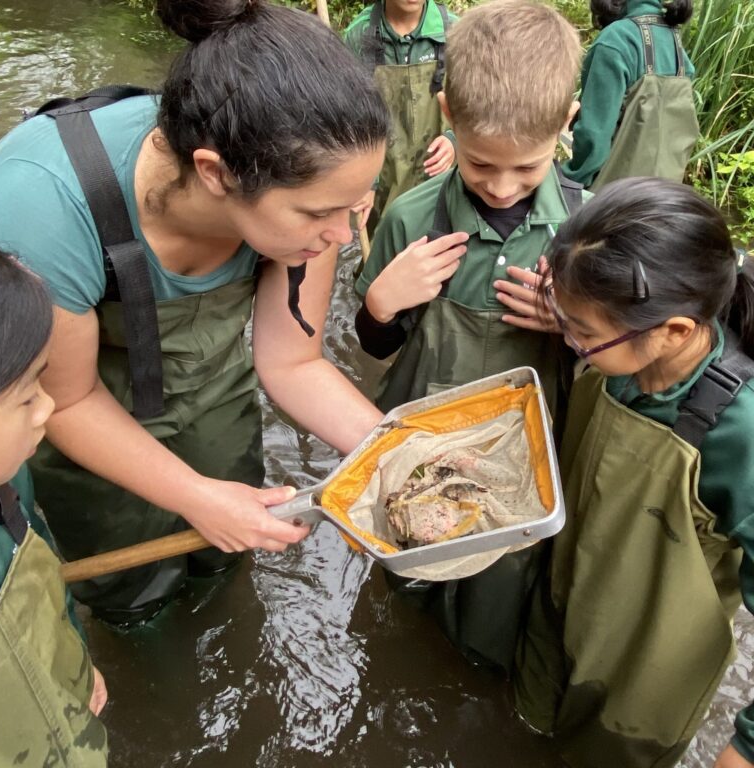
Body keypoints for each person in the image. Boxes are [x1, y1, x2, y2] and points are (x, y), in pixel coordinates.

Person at [0, 0, 388, 625]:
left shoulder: (314, 190)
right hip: (86, 406)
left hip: (215, 395)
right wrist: (196, 496)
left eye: (355, 206)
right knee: (131, 588)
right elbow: (64, 398)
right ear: (215, 174)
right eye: (317, 215)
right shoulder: (42, 204)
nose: (342, 234)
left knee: (222, 559)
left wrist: (398, 453)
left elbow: (294, 362)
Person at [354, 0, 583, 673]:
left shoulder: (586, 233)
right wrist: (379, 301)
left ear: (566, 127)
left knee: (501, 590)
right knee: (409, 574)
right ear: (449, 114)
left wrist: (567, 326)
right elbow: (374, 347)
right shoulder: (410, 216)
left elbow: (609, 369)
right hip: (427, 436)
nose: (504, 187)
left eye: (527, 169)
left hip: (523, 460)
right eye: (483, 167)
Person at [513, 177, 754, 768]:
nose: (567, 339)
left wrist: (746, 747)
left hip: (640, 682)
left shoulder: (738, 432)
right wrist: (577, 326)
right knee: (521, 731)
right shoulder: (623, 357)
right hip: (560, 610)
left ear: (672, 331)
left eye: (580, 333)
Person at [0, 246, 108, 766]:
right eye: (26, 396)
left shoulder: (10, 484)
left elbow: (44, 587)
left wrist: (74, 666)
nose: (49, 408)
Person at [344, 0, 458, 236]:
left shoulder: (455, 32)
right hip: (382, 177)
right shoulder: (358, 36)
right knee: (384, 253)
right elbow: (348, 116)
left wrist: (454, 140)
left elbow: (474, 104)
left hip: (439, 178)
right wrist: (365, 181)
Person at [563, 0, 697, 189]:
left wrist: (569, 180)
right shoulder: (674, 41)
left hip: (612, 197)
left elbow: (594, 136)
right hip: (663, 195)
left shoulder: (615, 40)